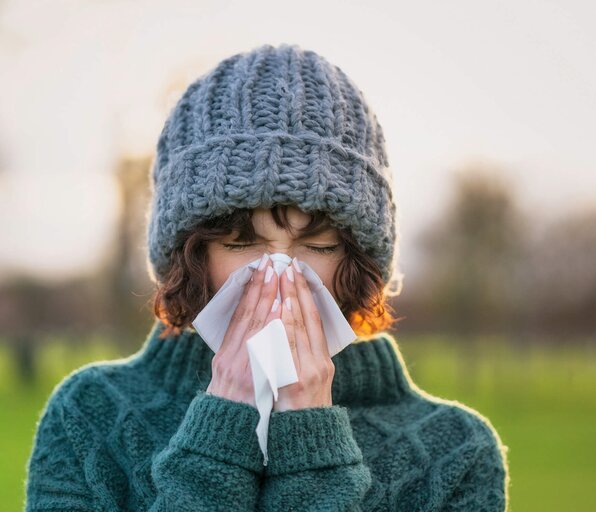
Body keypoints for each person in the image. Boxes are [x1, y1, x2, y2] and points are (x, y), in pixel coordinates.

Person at [24, 43, 510, 511]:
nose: (279, 276)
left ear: (359, 260)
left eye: (318, 246)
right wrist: (219, 434)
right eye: (240, 244)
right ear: (189, 254)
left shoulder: (456, 452)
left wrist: (311, 440)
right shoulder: (89, 415)